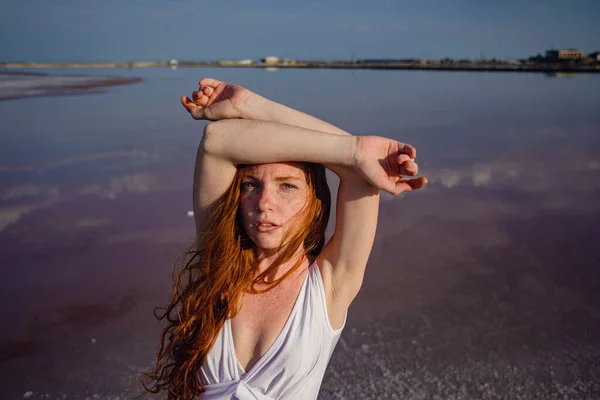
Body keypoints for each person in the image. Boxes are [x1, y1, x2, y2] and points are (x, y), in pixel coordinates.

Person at [144, 78, 427, 399]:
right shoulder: (217, 259)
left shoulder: (330, 284)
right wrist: (350, 148)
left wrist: (251, 107)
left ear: (315, 202)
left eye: (287, 186)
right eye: (250, 185)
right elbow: (216, 140)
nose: (265, 203)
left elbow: (363, 166)